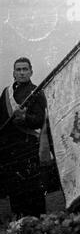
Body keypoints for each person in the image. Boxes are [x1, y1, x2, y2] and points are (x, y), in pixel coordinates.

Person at [0, 57, 46, 217]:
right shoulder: (7, 93)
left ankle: (37, 222)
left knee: (32, 190)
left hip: (29, 148)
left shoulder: (37, 91)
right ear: (13, 73)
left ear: (31, 71)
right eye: (18, 70)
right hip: (11, 150)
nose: (21, 73)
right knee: (15, 191)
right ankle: (19, 223)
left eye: (25, 69)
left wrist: (25, 118)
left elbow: (41, 119)